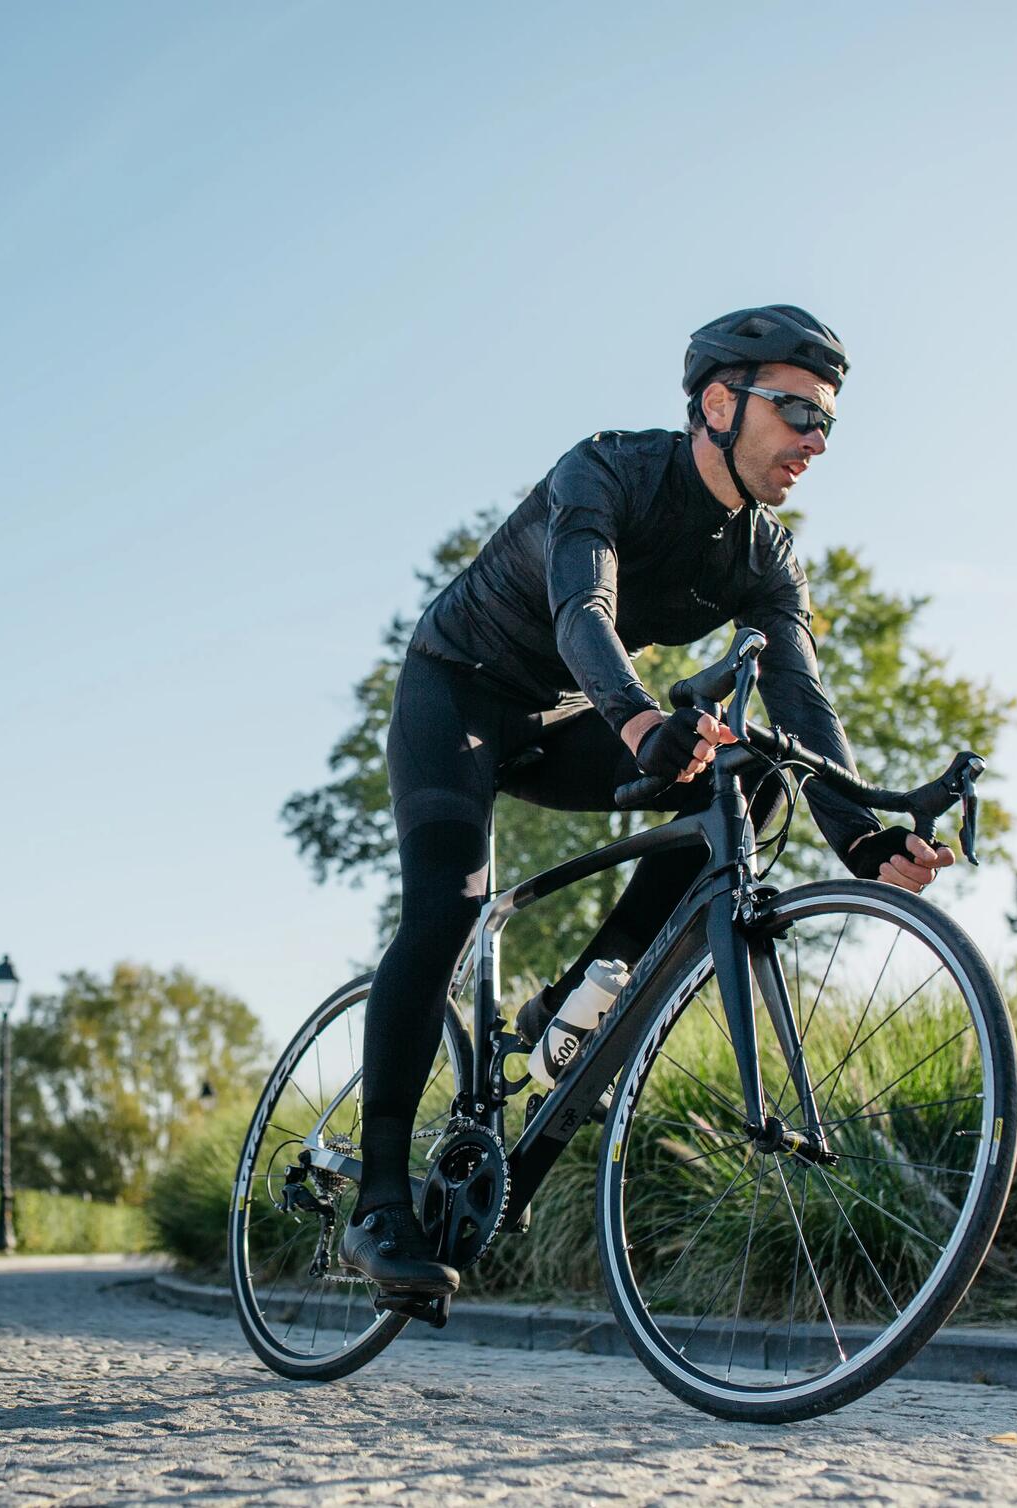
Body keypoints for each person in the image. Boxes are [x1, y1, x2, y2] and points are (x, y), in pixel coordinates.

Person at [339, 305, 956, 1296]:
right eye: (797, 411)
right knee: (448, 903)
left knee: (747, 782)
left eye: (828, 422)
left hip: (564, 716)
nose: (816, 440)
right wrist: (637, 723)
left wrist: (864, 836)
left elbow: (802, 700)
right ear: (719, 402)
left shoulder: (763, 555)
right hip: (457, 691)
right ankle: (377, 1202)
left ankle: (572, 1002)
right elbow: (581, 609)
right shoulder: (609, 470)